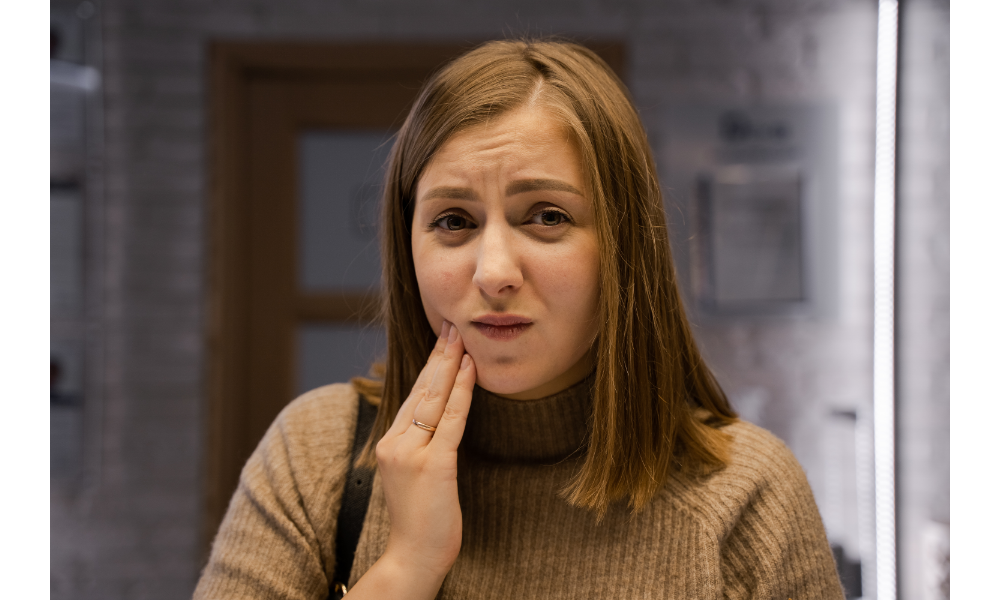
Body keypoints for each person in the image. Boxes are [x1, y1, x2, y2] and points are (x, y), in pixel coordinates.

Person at [194, 39, 845, 599]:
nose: (494, 272)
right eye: (454, 222)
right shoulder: (317, 455)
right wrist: (406, 566)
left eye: (547, 217)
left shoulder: (747, 494)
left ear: (623, 247)